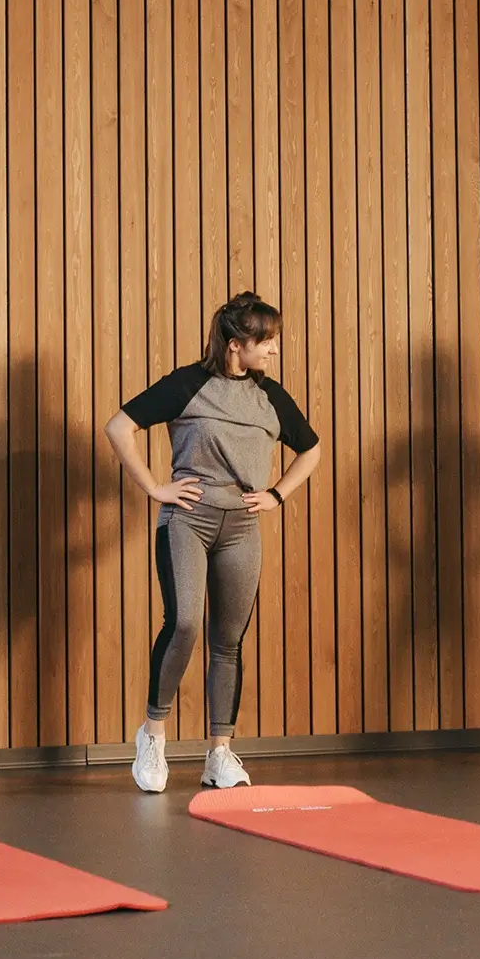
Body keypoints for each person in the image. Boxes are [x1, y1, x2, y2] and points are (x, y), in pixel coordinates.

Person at [105, 292, 323, 793]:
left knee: (228, 640)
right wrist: (155, 487)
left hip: (241, 527)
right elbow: (119, 426)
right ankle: (152, 736)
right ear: (233, 345)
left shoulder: (270, 396)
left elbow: (310, 449)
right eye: (264, 341)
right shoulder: (189, 384)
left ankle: (219, 754)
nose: (272, 350)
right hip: (188, 520)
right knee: (183, 624)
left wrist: (277, 494)